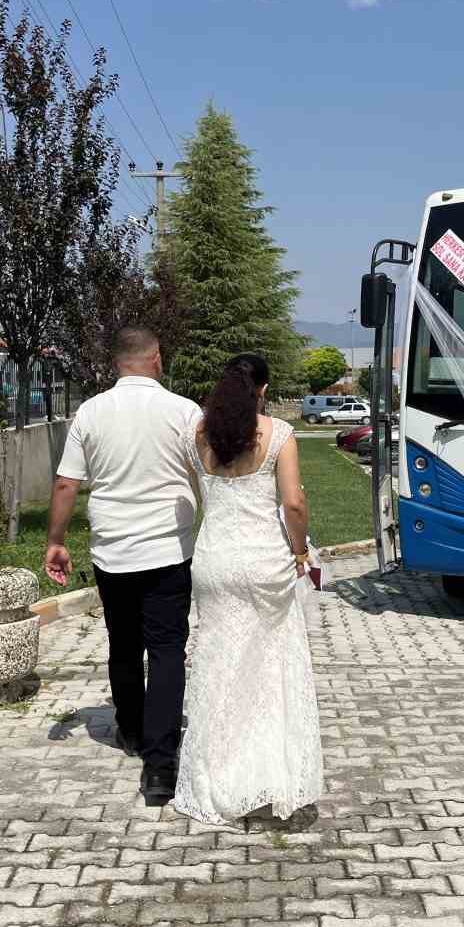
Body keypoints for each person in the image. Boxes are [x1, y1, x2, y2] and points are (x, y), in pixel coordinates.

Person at [44, 328, 201, 806]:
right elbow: (205, 474)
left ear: (117, 363)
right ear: (156, 358)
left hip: (112, 550)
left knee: (125, 645)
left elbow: (67, 484)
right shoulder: (184, 411)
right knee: (169, 649)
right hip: (169, 549)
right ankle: (160, 766)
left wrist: (55, 540)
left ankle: (131, 731)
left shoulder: (90, 412)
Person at [174, 353, 324, 827]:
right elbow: (294, 503)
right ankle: (266, 771)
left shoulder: (197, 435)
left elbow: (200, 496)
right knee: (271, 669)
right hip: (264, 564)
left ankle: (214, 775)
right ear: (262, 389)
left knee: (218, 662)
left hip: (214, 560)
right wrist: (299, 550)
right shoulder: (279, 434)